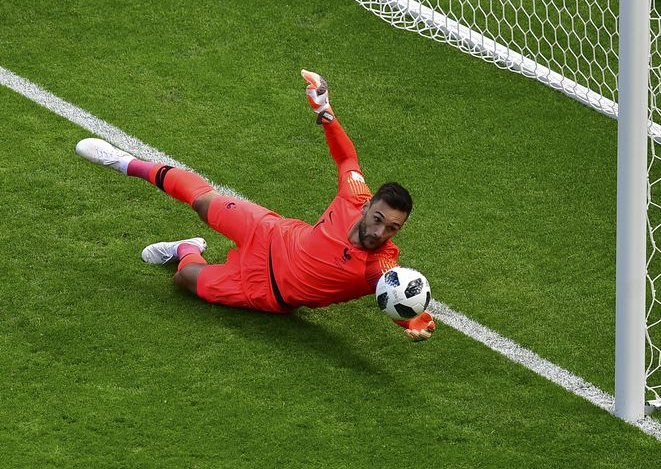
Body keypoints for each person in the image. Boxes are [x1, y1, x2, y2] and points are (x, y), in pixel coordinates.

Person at [75, 70, 435, 342]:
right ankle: (124, 162)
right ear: (365, 207)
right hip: (271, 232)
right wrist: (326, 111)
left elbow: (395, 291)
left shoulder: (380, 266)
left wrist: (412, 320)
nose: (379, 232)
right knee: (204, 201)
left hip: (265, 289)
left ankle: (186, 248)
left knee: (185, 279)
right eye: (378, 220)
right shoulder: (353, 194)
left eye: (392, 228)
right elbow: (347, 159)